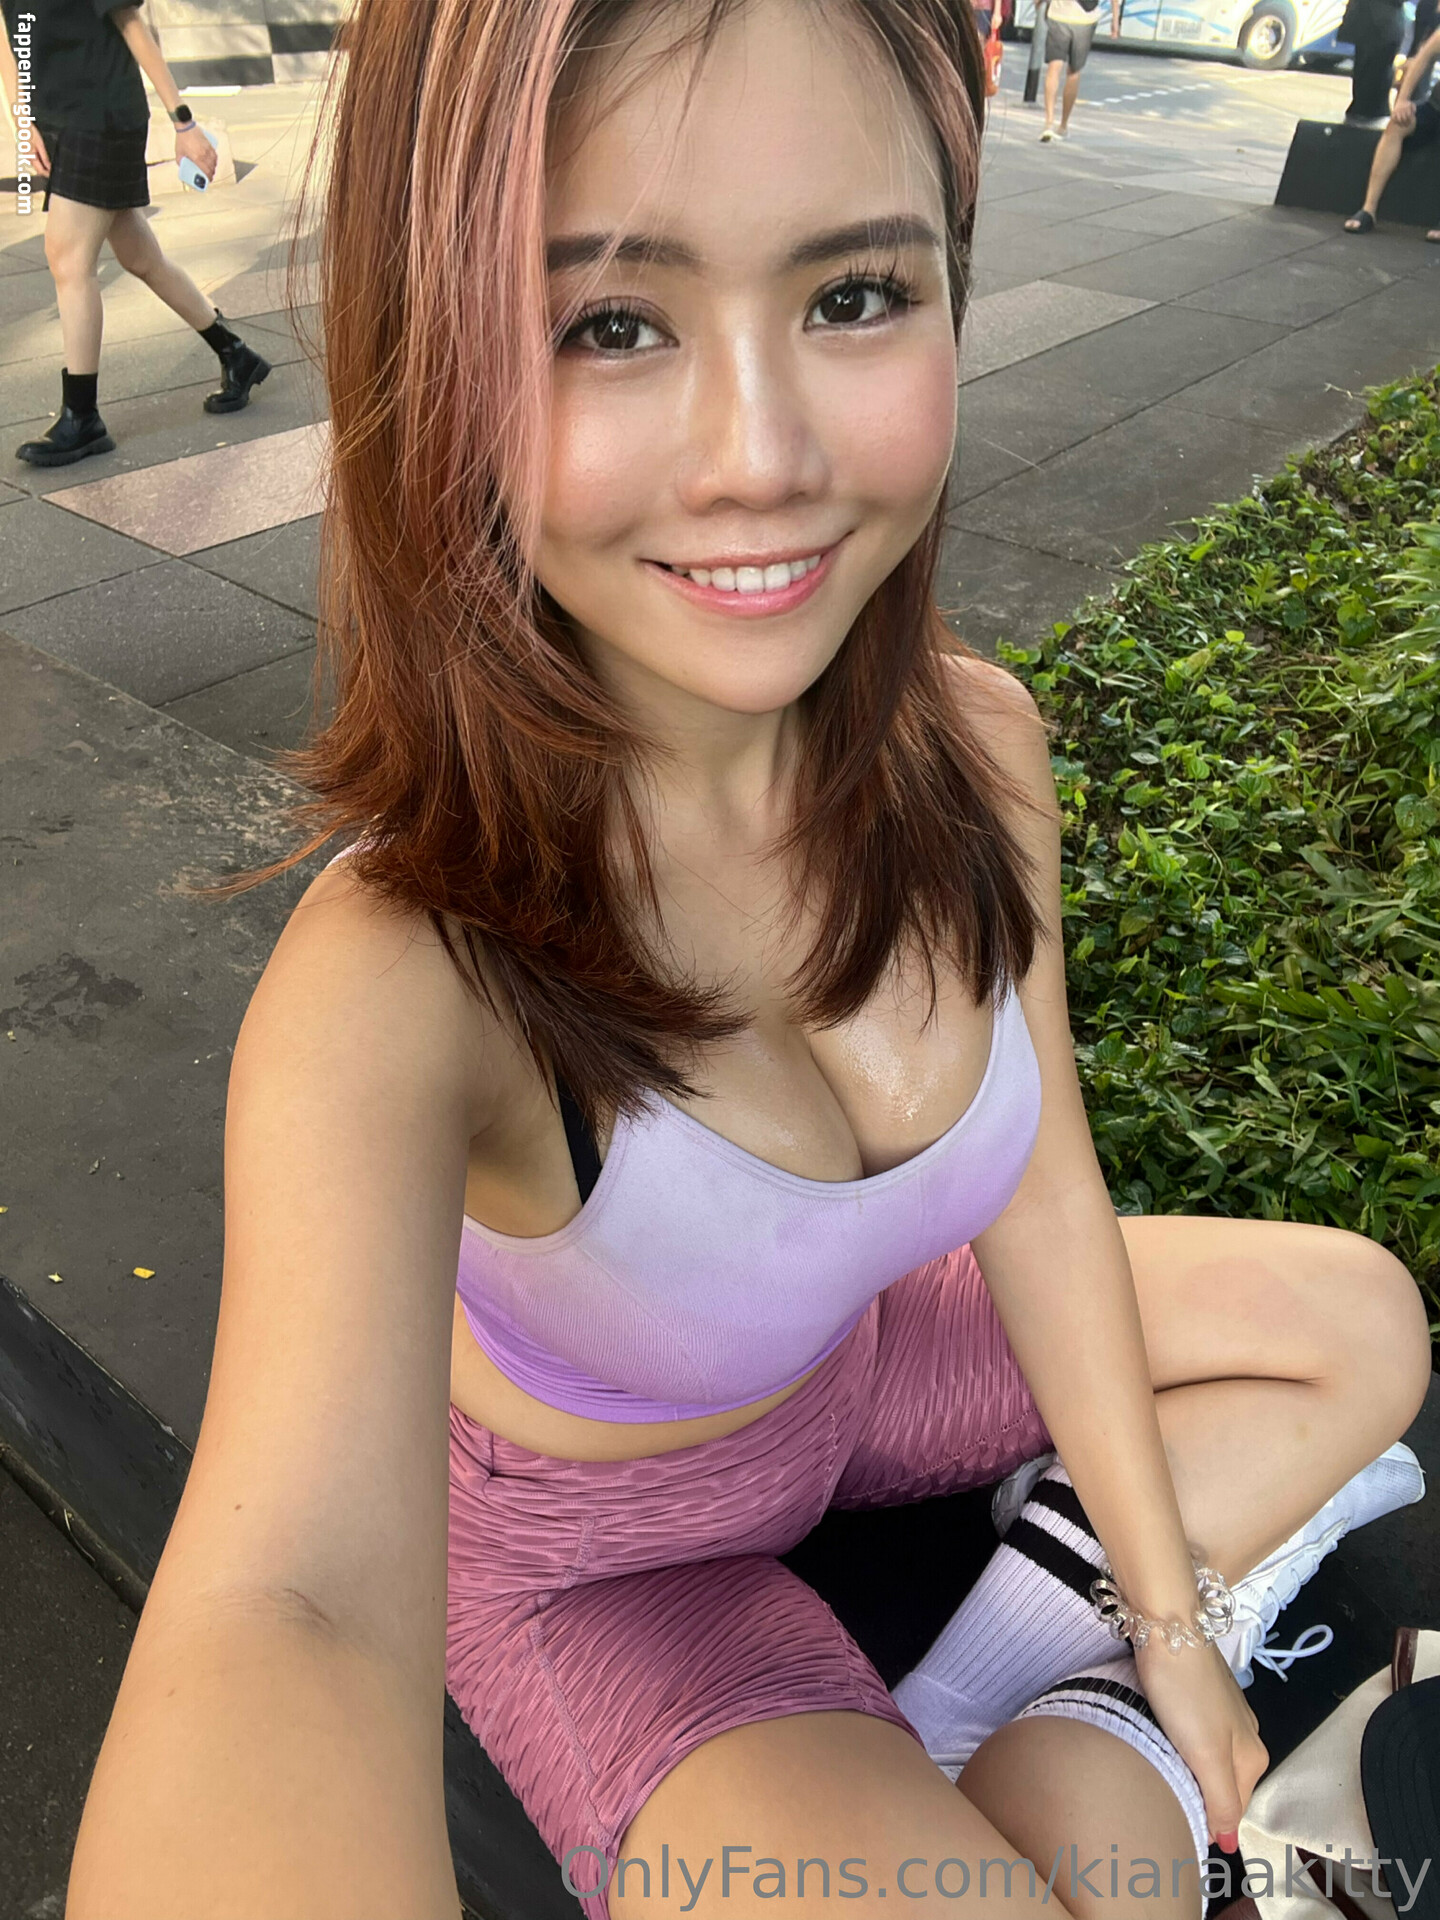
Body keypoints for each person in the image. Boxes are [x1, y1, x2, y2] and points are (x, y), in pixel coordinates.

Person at [65, 0, 1433, 1915]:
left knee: (1360, 1322)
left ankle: (1010, 1691)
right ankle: (1011, 1735)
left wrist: (1169, 1628)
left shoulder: (976, 748)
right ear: (435, 360)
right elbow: (287, 1608)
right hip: (613, 1562)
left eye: (854, 295)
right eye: (610, 323)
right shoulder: (411, 971)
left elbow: (1043, 1184)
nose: (763, 459)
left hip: (863, 1370)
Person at [0, 0, 271, 469]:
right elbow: (9, 36)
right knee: (141, 258)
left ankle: (82, 417)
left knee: (67, 258)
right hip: (58, 118)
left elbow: (132, 25)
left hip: (102, 115)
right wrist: (22, 121)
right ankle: (236, 356)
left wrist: (183, 122)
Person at [1343, 21, 1440, 239]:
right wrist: (1402, 100)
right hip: (1436, 106)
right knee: (1397, 125)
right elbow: (1423, 58)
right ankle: (1368, 210)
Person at [1039, 0, 1121, 141]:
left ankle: (1048, 123)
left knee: (1054, 67)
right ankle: (1063, 125)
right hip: (1085, 19)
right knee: (1074, 72)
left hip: (1058, 15)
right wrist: (1115, 19)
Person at [1339, 0, 1408, 127]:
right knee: (1368, 74)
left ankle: (1367, 115)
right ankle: (1365, 113)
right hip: (1376, 23)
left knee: (1373, 74)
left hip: (1380, 25)